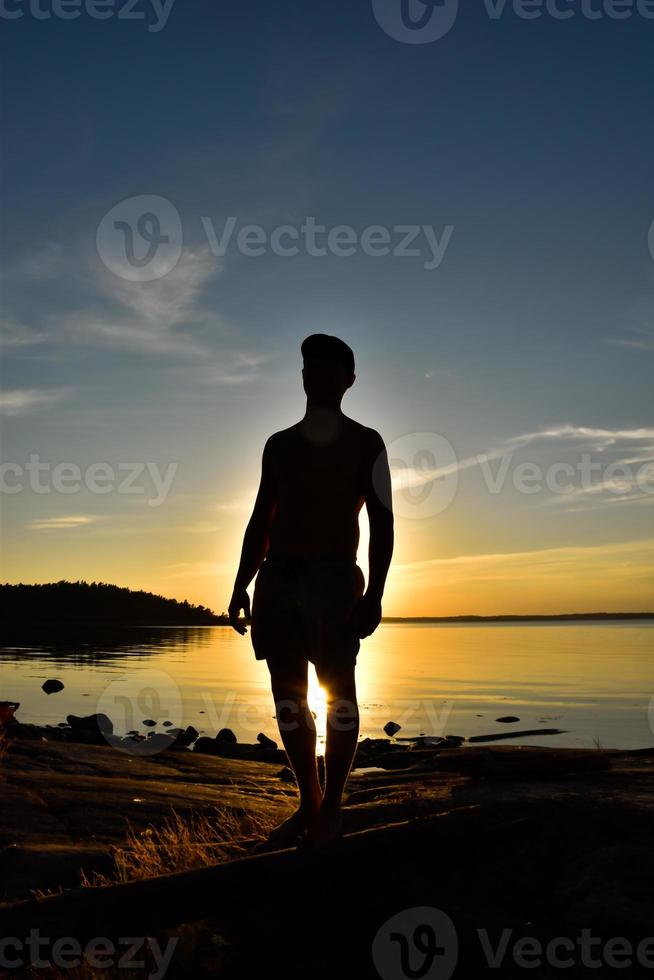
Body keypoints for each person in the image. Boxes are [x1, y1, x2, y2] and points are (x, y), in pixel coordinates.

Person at [228, 334, 394, 848]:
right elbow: (261, 520)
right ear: (301, 377)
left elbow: (384, 525)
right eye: (308, 369)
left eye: (327, 371)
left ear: (348, 380)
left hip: (333, 580)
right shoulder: (279, 445)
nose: (315, 378)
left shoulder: (368, 443)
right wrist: (241, 583)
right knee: (288, 697)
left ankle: (335, 806)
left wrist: (375, 594)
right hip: (279, 578)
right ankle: (309, 802)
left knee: (339, 691)